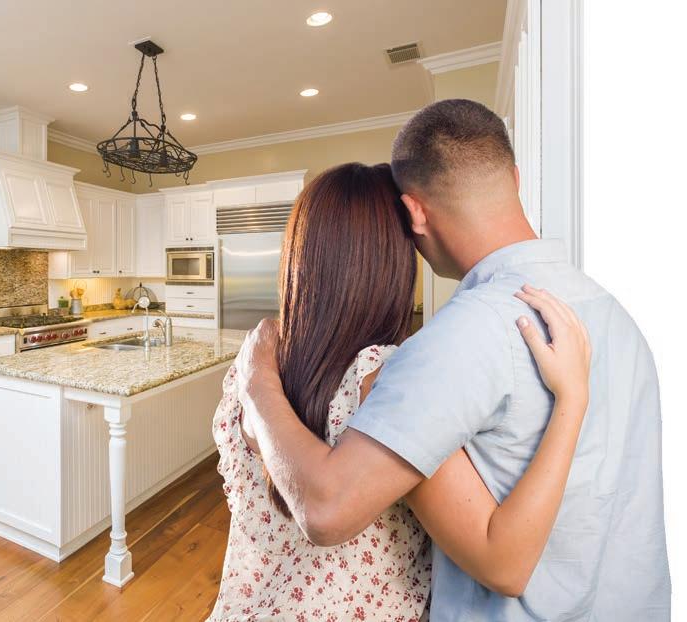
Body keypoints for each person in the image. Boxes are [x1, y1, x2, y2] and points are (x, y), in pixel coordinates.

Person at [234, 100, 671, 621]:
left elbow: (326, 509)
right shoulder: (614, 315)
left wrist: (257, 379)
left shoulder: (456, 339)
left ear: (415, 212)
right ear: (513, 177)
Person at [209, 162, 592, 621]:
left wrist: (257, 381)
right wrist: (573, 398)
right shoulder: (384, 381)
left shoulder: (253, 365)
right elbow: (503, 563)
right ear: (393, 264)